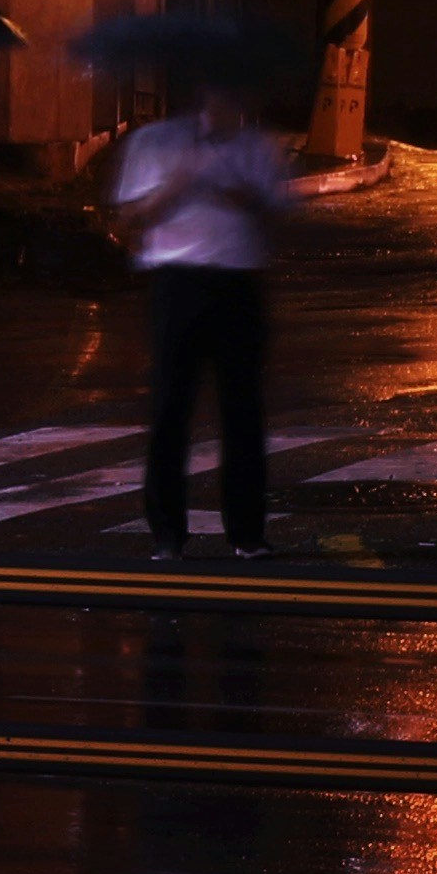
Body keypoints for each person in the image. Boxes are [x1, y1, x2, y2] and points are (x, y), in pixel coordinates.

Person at [111, 80, 292, 560]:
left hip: (239, 285)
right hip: (177, 283)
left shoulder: (258, 146)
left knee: (243, 413)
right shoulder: (156, 142)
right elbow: (131, 216)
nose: (226, 103)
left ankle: (247, 534)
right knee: (171, 409)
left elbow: (279, 215)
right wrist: (180, 181)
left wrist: (239, 194)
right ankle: (167, 534)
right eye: (216, 92)